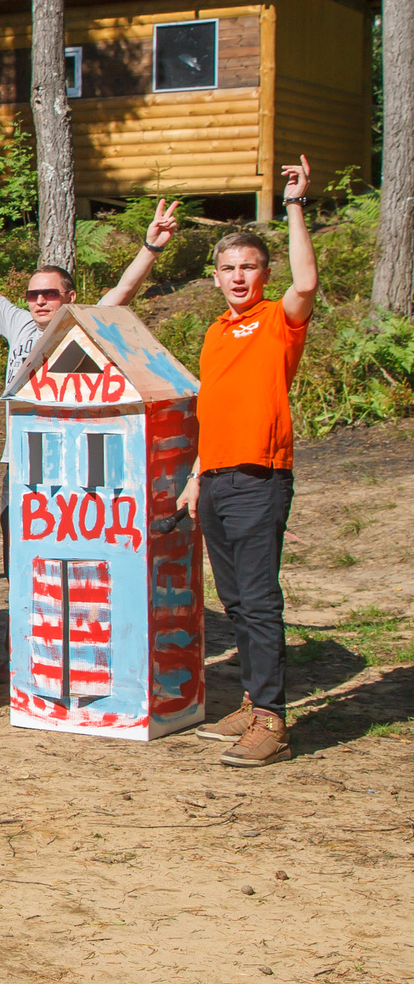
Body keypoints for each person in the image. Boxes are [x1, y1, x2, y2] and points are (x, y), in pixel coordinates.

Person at [187, 158, 320, 769]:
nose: (239, 277)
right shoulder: (215, 331)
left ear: (264, 274)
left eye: (249, 267)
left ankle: (272, 722)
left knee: (260, 600)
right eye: (229, 269)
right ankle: (250, 699)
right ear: (215, 278)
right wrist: (194, 477)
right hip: (214, 481)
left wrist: (292, 205)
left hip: (259, 478)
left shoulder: (277, 320)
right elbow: (210, 411)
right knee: (236, 599)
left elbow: (308, 284)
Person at [0, 199, 179, 392]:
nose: (40, 301)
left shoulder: (82, 325)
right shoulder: (20, 324)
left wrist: (151, 247)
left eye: (50, 293)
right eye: (33, 294)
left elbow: (123, 290)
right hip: (19, 448)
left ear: (70, 297)